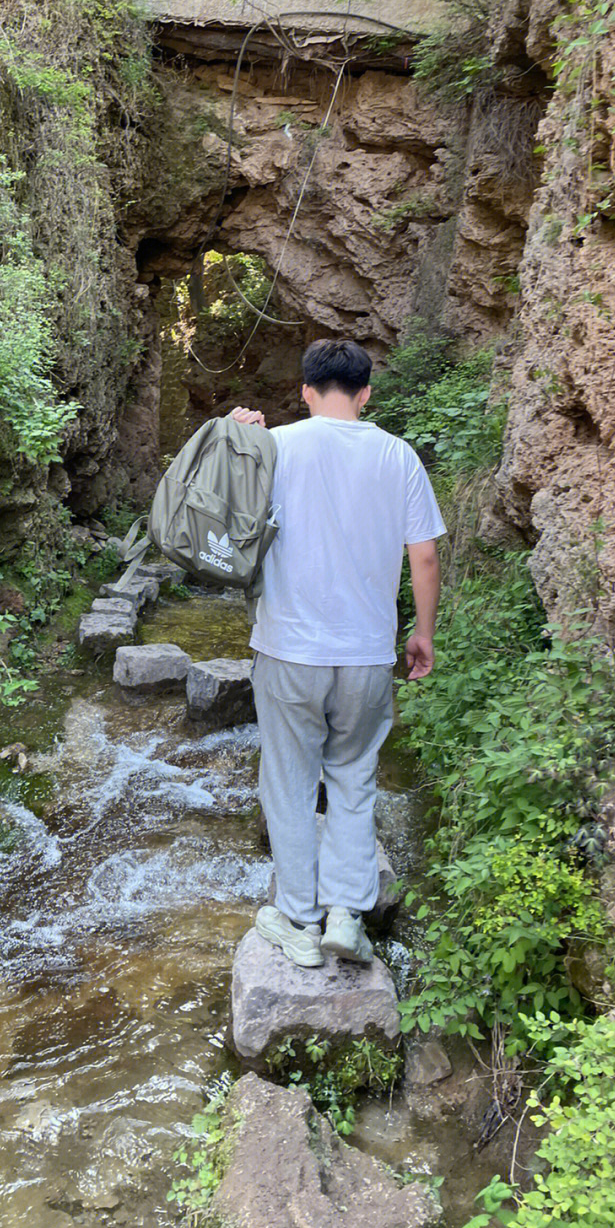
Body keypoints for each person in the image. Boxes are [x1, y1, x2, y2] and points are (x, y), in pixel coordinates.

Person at [230, 339, 445, 968]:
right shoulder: (398, 456)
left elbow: (225, 519)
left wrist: (237, 439)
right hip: (365, 653)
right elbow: (424, 554)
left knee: (290, 782)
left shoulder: (276, 447)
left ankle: (298, 919)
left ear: (304, 391)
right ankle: (348, 917)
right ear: (366, 393)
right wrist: (422, 632)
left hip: (289, 648)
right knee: (353, 777)